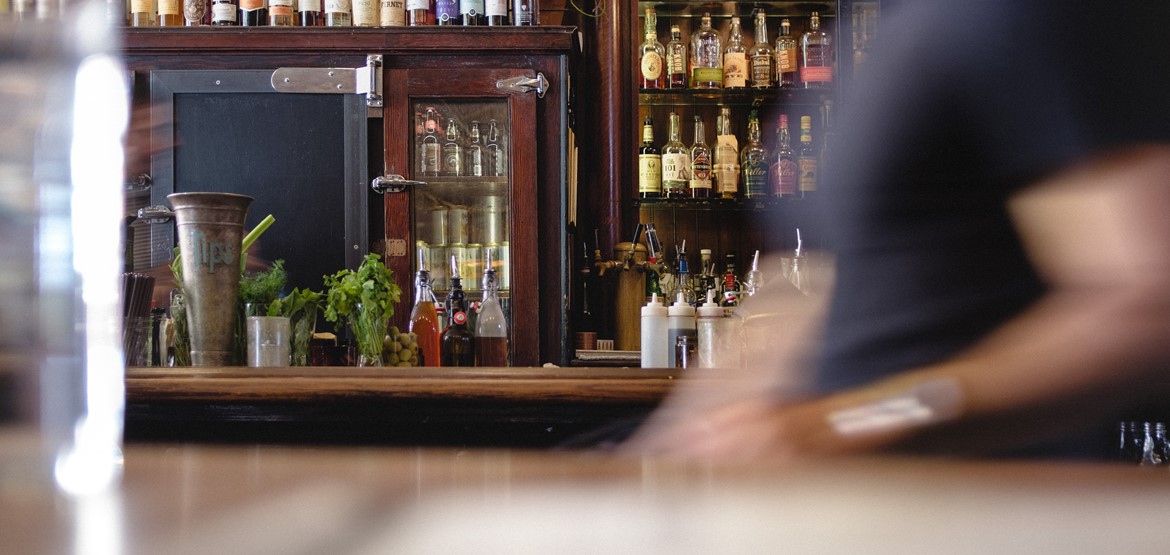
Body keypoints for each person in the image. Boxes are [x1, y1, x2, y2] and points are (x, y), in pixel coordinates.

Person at [626, 0, 1170, 459]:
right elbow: (817, 286)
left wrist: (850, 422)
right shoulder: (891, 28)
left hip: (983, 511)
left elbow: (1145, 304)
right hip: (852, 502)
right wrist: (674, 449)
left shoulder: (1030, 15)